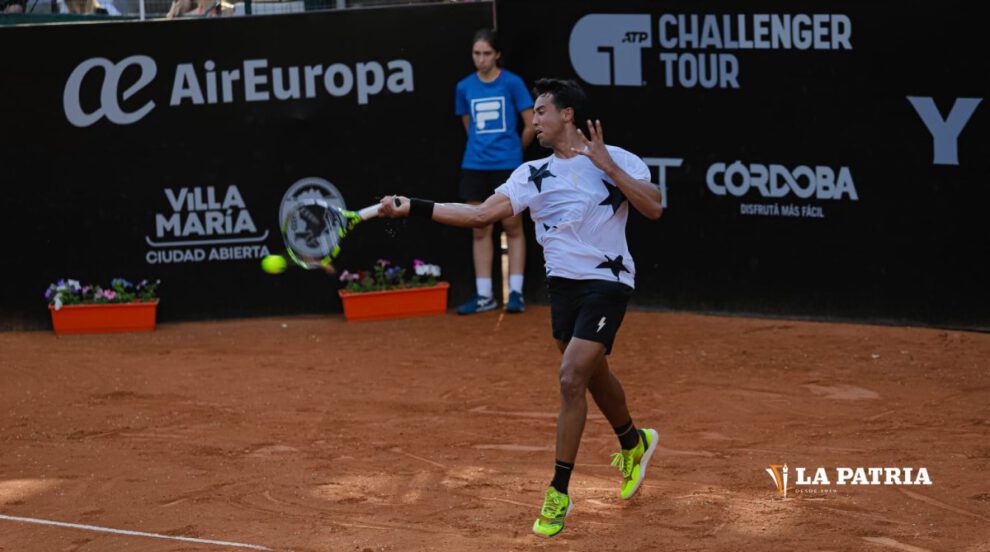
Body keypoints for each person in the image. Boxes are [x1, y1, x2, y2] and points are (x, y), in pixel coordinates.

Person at [379, 78, 662, 538]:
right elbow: (478, 216)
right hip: (562, 290)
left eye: (542, 111)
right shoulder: (530, 173)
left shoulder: (620, 158)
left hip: (608, 283)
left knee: (571, 375)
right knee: (592, 373)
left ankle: (558, 491)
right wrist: (412, 206)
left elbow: (653, 208)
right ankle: (634, 441)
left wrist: (608, 165)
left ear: (567, 114)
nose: (535, 121)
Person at [453, 29, 535, 314]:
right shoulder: (464, 87)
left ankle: (515, 293)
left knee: (513, 227)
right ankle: (485, 295)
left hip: (508, 165)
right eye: (476, 54)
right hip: (474, 165)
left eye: (487, 53)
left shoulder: (513, 83)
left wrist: (514, 152)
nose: (481, 59)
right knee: (479, 228)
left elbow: (530, 124)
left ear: (497, 54)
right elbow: (468, 125)